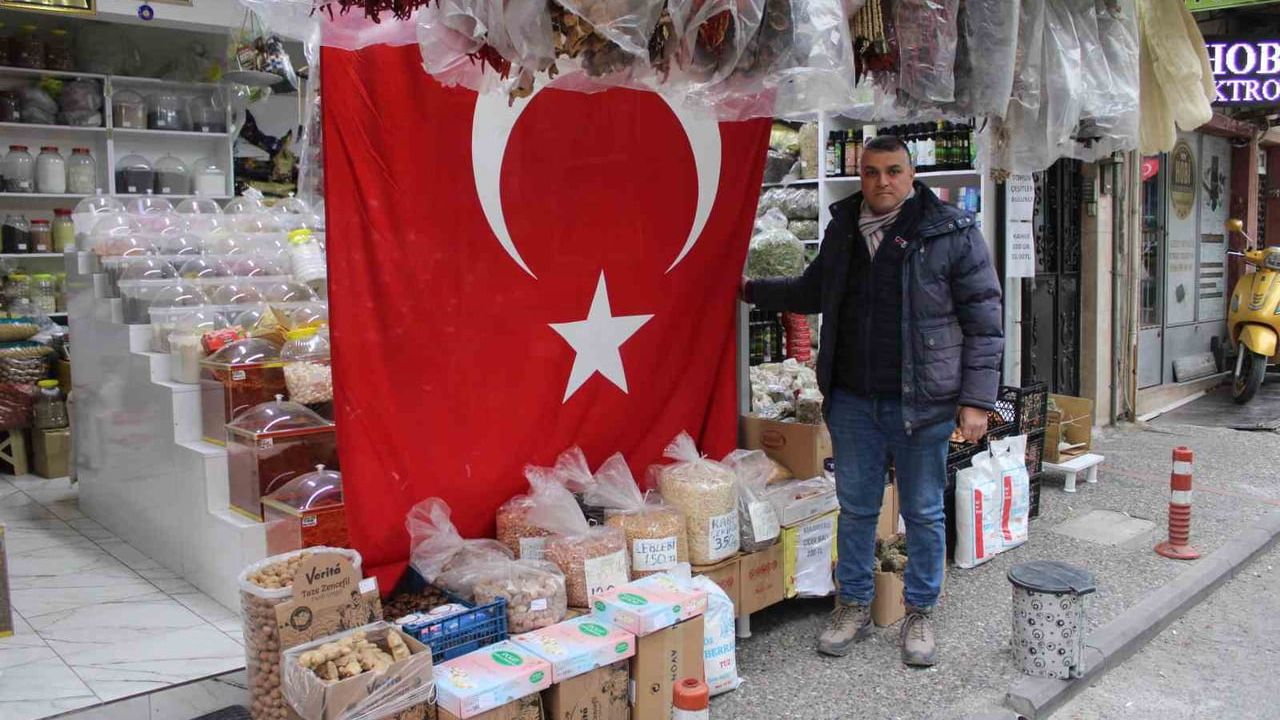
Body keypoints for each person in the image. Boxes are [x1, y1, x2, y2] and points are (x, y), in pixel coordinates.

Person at [742, 135, 1003, 667]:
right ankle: (854, 604)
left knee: (923, 511)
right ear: (860, 176)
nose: (882, 181)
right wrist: (749, 289)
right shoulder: (842, 229)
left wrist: (977, 400)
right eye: (871, 172)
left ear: (912, 175)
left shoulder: (950, 230)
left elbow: (985, 321)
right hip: (853, 398)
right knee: (857, 509)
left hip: (924, 401)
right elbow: (812, 290)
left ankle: (920, 611)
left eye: (893, 171)